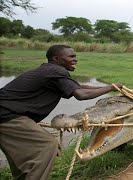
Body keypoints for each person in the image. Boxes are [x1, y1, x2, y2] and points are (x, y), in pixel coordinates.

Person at [0, 45, 123, 179]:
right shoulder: (56, 71)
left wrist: (108, 88)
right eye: (71, 56)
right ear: (56, 58)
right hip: (8, 115)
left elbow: (78, 86)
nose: (75, 59)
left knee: (22, 158)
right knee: (47, 145)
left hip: (7, 115)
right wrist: (110, 87)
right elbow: (81, 94)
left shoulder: (49, 71)